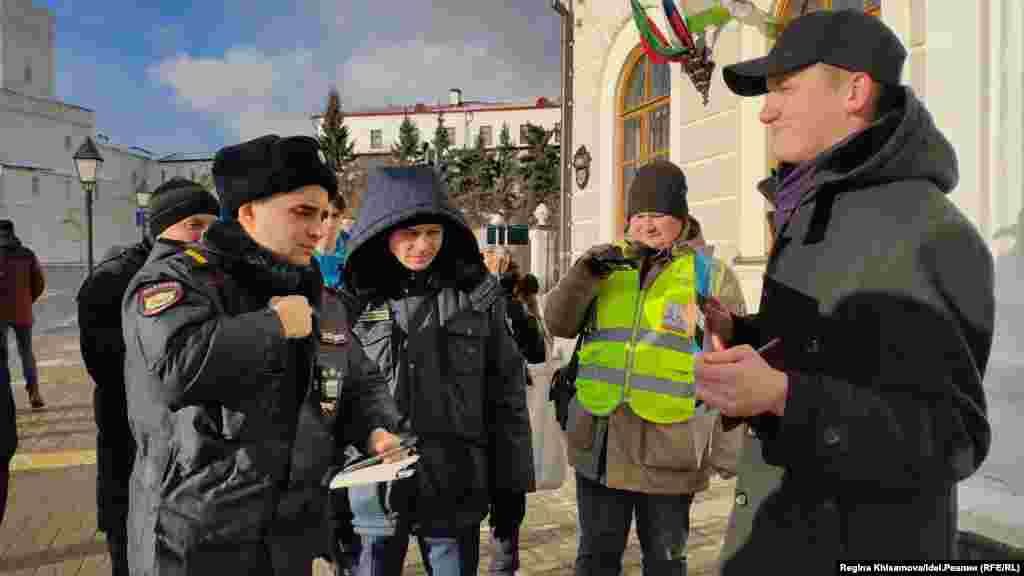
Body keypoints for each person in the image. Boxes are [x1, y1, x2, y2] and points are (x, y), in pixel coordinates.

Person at [698, 10, 995, 572]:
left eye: (785, 88)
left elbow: (953, 437)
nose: (765, 111)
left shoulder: (931, 231)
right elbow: (834, 349)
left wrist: (784, 396)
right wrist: (741, 335)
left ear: (854, 91)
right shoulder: (815, 209)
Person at [121, 134, 403, 575]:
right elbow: (174, 369)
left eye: (324, 215)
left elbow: (356, 378)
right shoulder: (179, 280)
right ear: (248, 212)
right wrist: (272, 327)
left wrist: (375, 429)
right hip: (197, 541)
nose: (319, 230)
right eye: (303, 212)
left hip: (292, 536)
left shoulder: (316, 294)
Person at [543, 160, 744, 576]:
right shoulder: (604, 266)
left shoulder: (709, 275)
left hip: (671, 448)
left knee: (665, 562)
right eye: (639, 215)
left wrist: (728, 451)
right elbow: (558, 323)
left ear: (682, 220)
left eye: (659, 214)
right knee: (596, 559)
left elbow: (733, 364)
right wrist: (583, 275)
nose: (646, 225)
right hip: (602, 441)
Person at [342, 165, 535, 576]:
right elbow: (334, 398)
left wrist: (511, 485)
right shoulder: (353, 303)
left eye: (433, 232)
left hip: (455, 484)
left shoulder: (477, 297)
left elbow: (507, 396)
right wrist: (329, 493)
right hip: (374, 490)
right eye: (410, 233)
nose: (423, 244)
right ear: (383, 233)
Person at [77, 178, 219, 576]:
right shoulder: (113, 279)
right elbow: (105, 368)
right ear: (161, 226)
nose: (205, 235)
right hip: (130, 439)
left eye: (212, 225)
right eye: (194, 224)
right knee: (131, 546)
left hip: (193, 452)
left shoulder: (211, 271)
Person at [0, 219, 46, 410]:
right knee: (26, 352)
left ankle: (5, 397)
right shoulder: (27, 254)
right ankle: (34, 392)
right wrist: (27, 300)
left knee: (2, 355)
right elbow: (39, 282)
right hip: (22, 311)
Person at [314, 192, 349, 291]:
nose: (330, 223)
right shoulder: (300, 246)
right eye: (324, 215)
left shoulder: (353, 246)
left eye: (335, 215)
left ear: (342, 216)